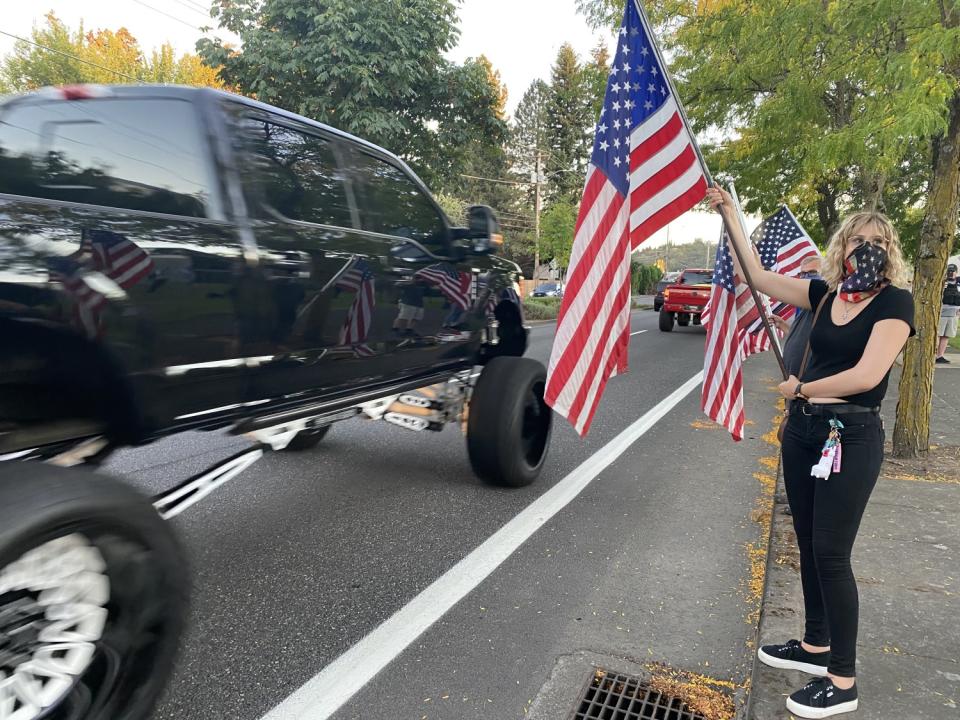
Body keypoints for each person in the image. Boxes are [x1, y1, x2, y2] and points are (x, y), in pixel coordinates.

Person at [708, 187, 914, 719]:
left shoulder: (896, 303)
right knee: (806, 543)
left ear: (889, 250)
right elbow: (757, 278)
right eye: (857, 240)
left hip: (852, 436)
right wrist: (732, 212)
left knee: (831, 555)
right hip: (803, 435)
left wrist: (801, 389)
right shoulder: (825, 293)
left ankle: (842, 682)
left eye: (877, 241)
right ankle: (815, 646)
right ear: (842, 246)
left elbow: (868, 376)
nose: (865, 248)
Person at [936, 263, 959, 364]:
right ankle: (933, 354)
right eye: (949, 271)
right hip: (941, 312)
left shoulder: (958, 283)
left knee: (946, 335)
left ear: (956, 272)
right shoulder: (941, 282)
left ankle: (940, 356)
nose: (950, 273)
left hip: (954, 313)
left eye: (952, 271)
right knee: (937, 335)